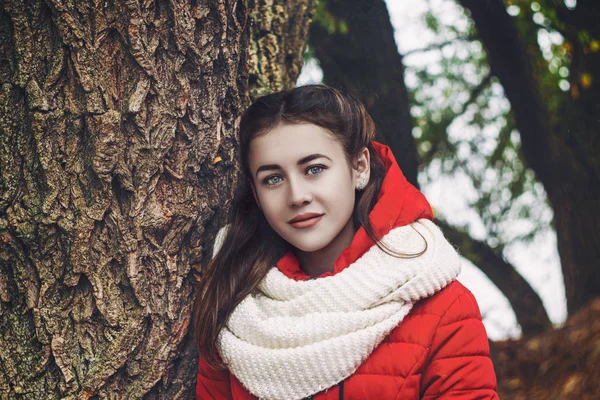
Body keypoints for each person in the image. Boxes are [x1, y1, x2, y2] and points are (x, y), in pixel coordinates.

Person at [193, 85, 498, 399]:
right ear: (256, 195)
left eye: (315, 169)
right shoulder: (234, 303)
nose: (297, 196)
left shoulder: (444, 309)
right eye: (273, 178)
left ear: (360, 167)